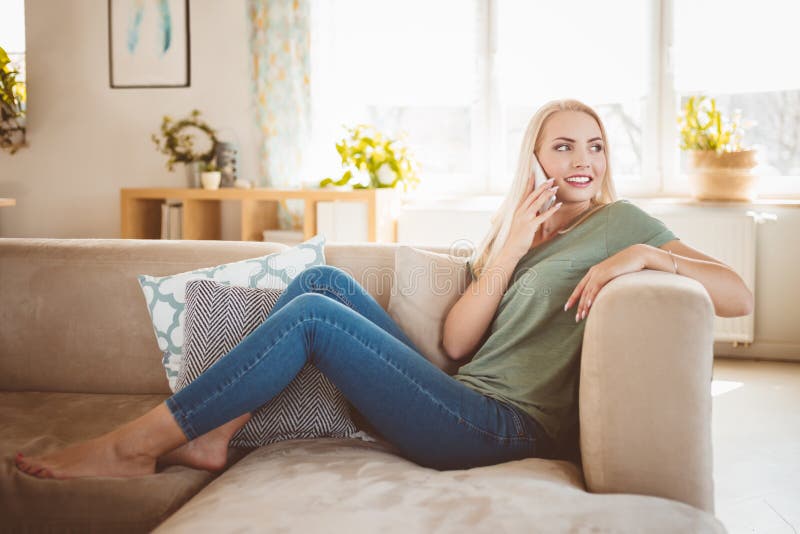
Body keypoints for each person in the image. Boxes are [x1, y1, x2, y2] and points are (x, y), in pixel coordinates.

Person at [14, 99, 754, 479]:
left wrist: (645, 260)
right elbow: (461, 343)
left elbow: (737, 294)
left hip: (504, 428)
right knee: (321, 280)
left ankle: (136, 443)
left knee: (310, 317)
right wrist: (509, 253)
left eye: (594, 146)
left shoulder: (622, 221)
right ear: (533, 158)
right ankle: (215, 434)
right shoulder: (514, 229)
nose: (583, 160)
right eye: (563, 145)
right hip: (463, 394)